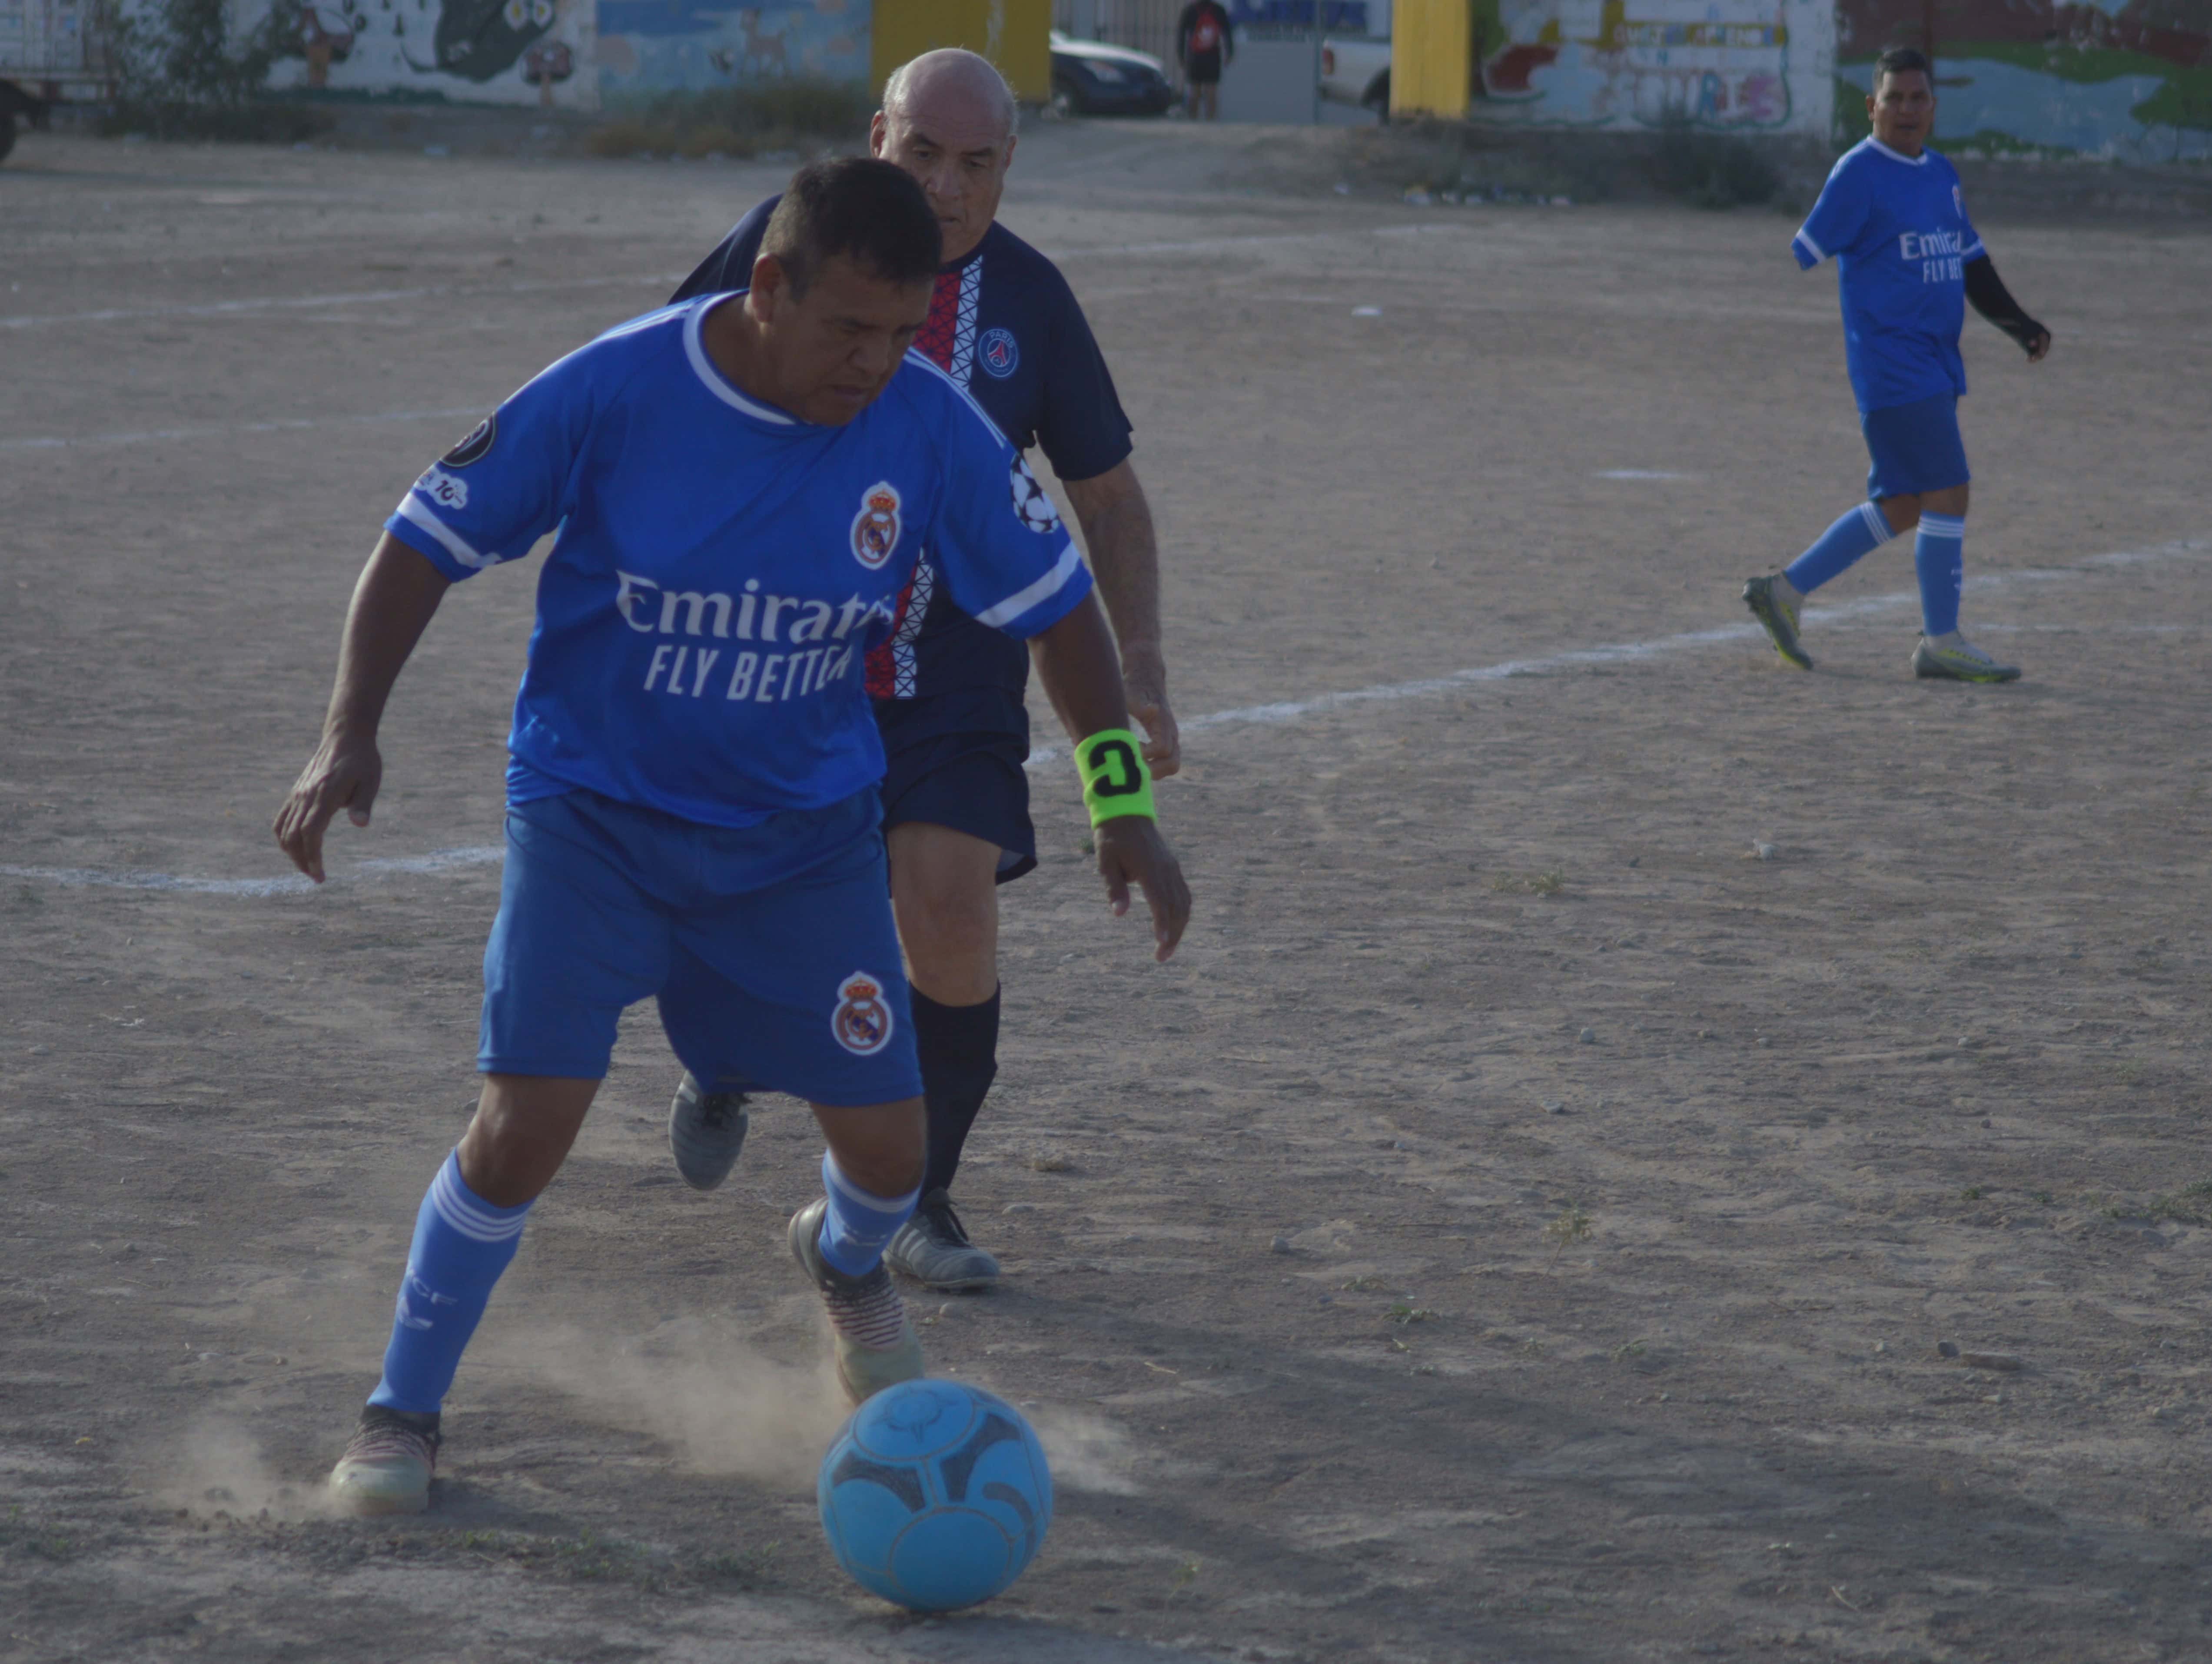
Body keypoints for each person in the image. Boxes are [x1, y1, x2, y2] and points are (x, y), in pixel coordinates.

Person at [272, 157, 1191, 1517]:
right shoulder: (616, 388)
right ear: (769, 286)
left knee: (892, 1150)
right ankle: (399, 1414)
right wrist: (348, 729)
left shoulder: (929, 426)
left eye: (900, 333)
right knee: (523, 1127)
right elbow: (424, 536)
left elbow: (1056, 604)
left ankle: (841, 1260)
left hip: (799, 840)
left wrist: (1122, 802)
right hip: (595, 818)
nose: (875, 365)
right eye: (847, 331)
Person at [664, 49, 1180, 1294]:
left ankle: (912, 1196)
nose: (947, 189)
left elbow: (1104, 501)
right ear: (875, 138)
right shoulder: (777, 245)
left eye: (978, 163)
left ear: (1010, 166)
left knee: (948, 912)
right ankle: (727, 1051)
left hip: (954, 662)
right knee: (758, 911)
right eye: (922, 156)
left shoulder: (1033, 303)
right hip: (785, 652)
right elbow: (673, 398)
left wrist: (1146, 669)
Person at [1743, 45, 2051, 684]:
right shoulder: (1857, 172)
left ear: (1932, 108)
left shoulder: (1938, 174)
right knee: (1949, 490)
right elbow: (1803, 249)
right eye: (1893, 98)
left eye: (1917, 99)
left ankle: (1784, 592)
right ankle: (1941, 640)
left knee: (1907, 503)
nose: (1905, 110)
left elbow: (1969, 264)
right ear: (1871, 105)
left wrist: (2019, 324)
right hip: (1892, 364)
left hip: (1936, 362)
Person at [1176, 0, 1233, 120]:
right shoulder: (1219, 10)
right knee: (1211, 91)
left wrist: (1181, 56)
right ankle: (1211, 121)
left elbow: (1181, 34)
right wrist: (1229, 52)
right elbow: (1227, 32)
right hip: (1212, 55)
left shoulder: (1190, 11)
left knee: (1195, 91)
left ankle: (1193, 120)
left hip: (1195, 56)